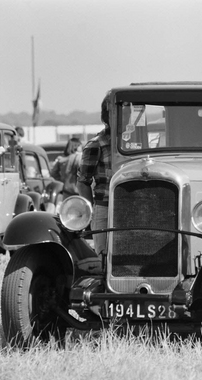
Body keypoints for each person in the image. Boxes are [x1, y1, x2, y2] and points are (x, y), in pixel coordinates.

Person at [77, 93, 111, 257]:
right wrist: (89, 213)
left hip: (133, 206)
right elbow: (83, 181)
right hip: (104, 206)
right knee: (103, 255)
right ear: (107, 116)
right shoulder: (96, 144)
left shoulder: (138, 144)